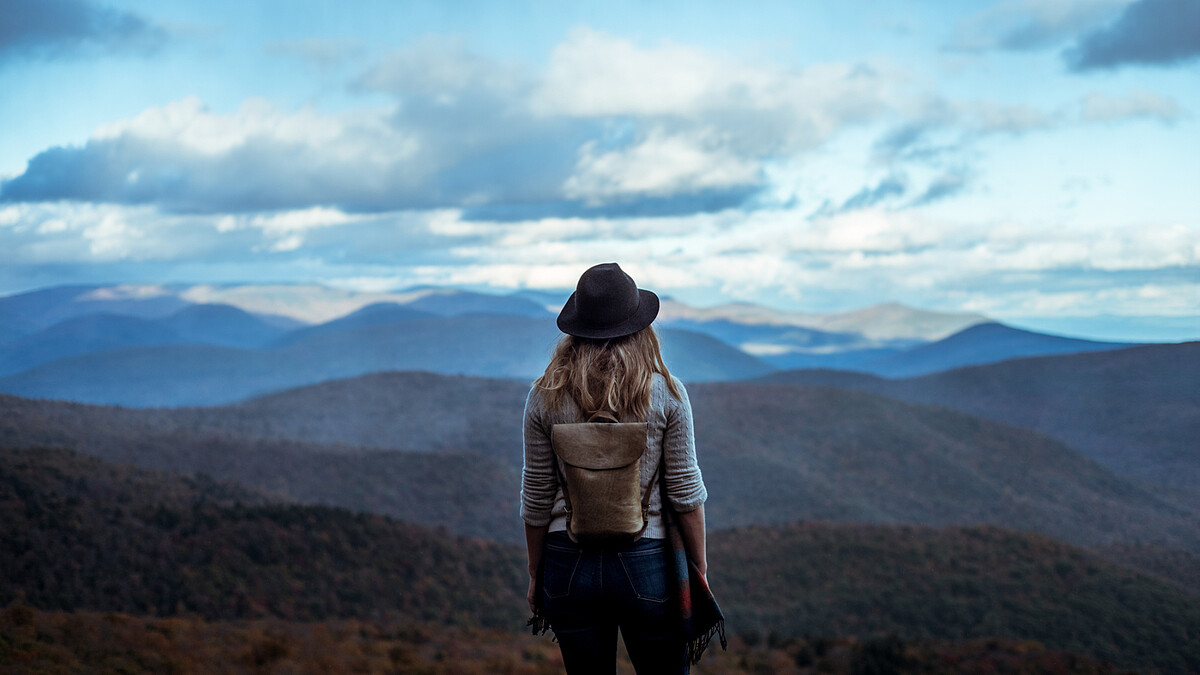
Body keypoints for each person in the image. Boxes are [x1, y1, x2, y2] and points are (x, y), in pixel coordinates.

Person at [521, 262, 709, 674]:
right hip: (647, 561)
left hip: (567, 564)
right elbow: (685, 493)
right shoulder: (668, 394)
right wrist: (699, 568)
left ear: (576, 330)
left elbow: (536, 498)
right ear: (640, 328)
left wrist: (536, 572)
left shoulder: (544, 396)